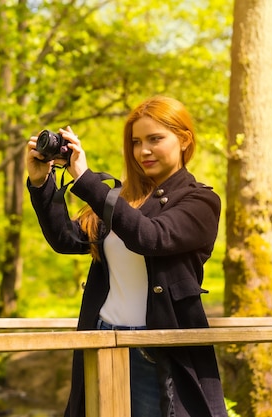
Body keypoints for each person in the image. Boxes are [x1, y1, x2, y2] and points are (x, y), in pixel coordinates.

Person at [26, 95, 228, 417]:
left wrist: (85, 179)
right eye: (136, 142)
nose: (143, 150)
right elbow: (67, 239)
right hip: (102, 337)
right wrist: (42, 182)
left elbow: (151, 237)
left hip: (157, 347)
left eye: (155, 139)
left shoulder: (200, 201)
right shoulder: (120, 199)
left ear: (184, 139)